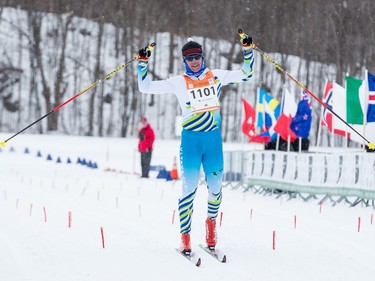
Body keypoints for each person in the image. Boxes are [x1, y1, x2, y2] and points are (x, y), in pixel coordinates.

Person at [137, 31, 254, 255]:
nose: (193, 62)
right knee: (189, 189)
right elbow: (145, 87)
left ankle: (211, 228)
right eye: (189, 59)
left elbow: (247, 75)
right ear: (184, 61)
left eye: (196, 57)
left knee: (216, 188)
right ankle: (185, 237)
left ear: (202, 57)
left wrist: (248, 51)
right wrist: (143, 63)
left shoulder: (216, 75)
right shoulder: (179, 82)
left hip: (213, 142)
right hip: (191, 141)